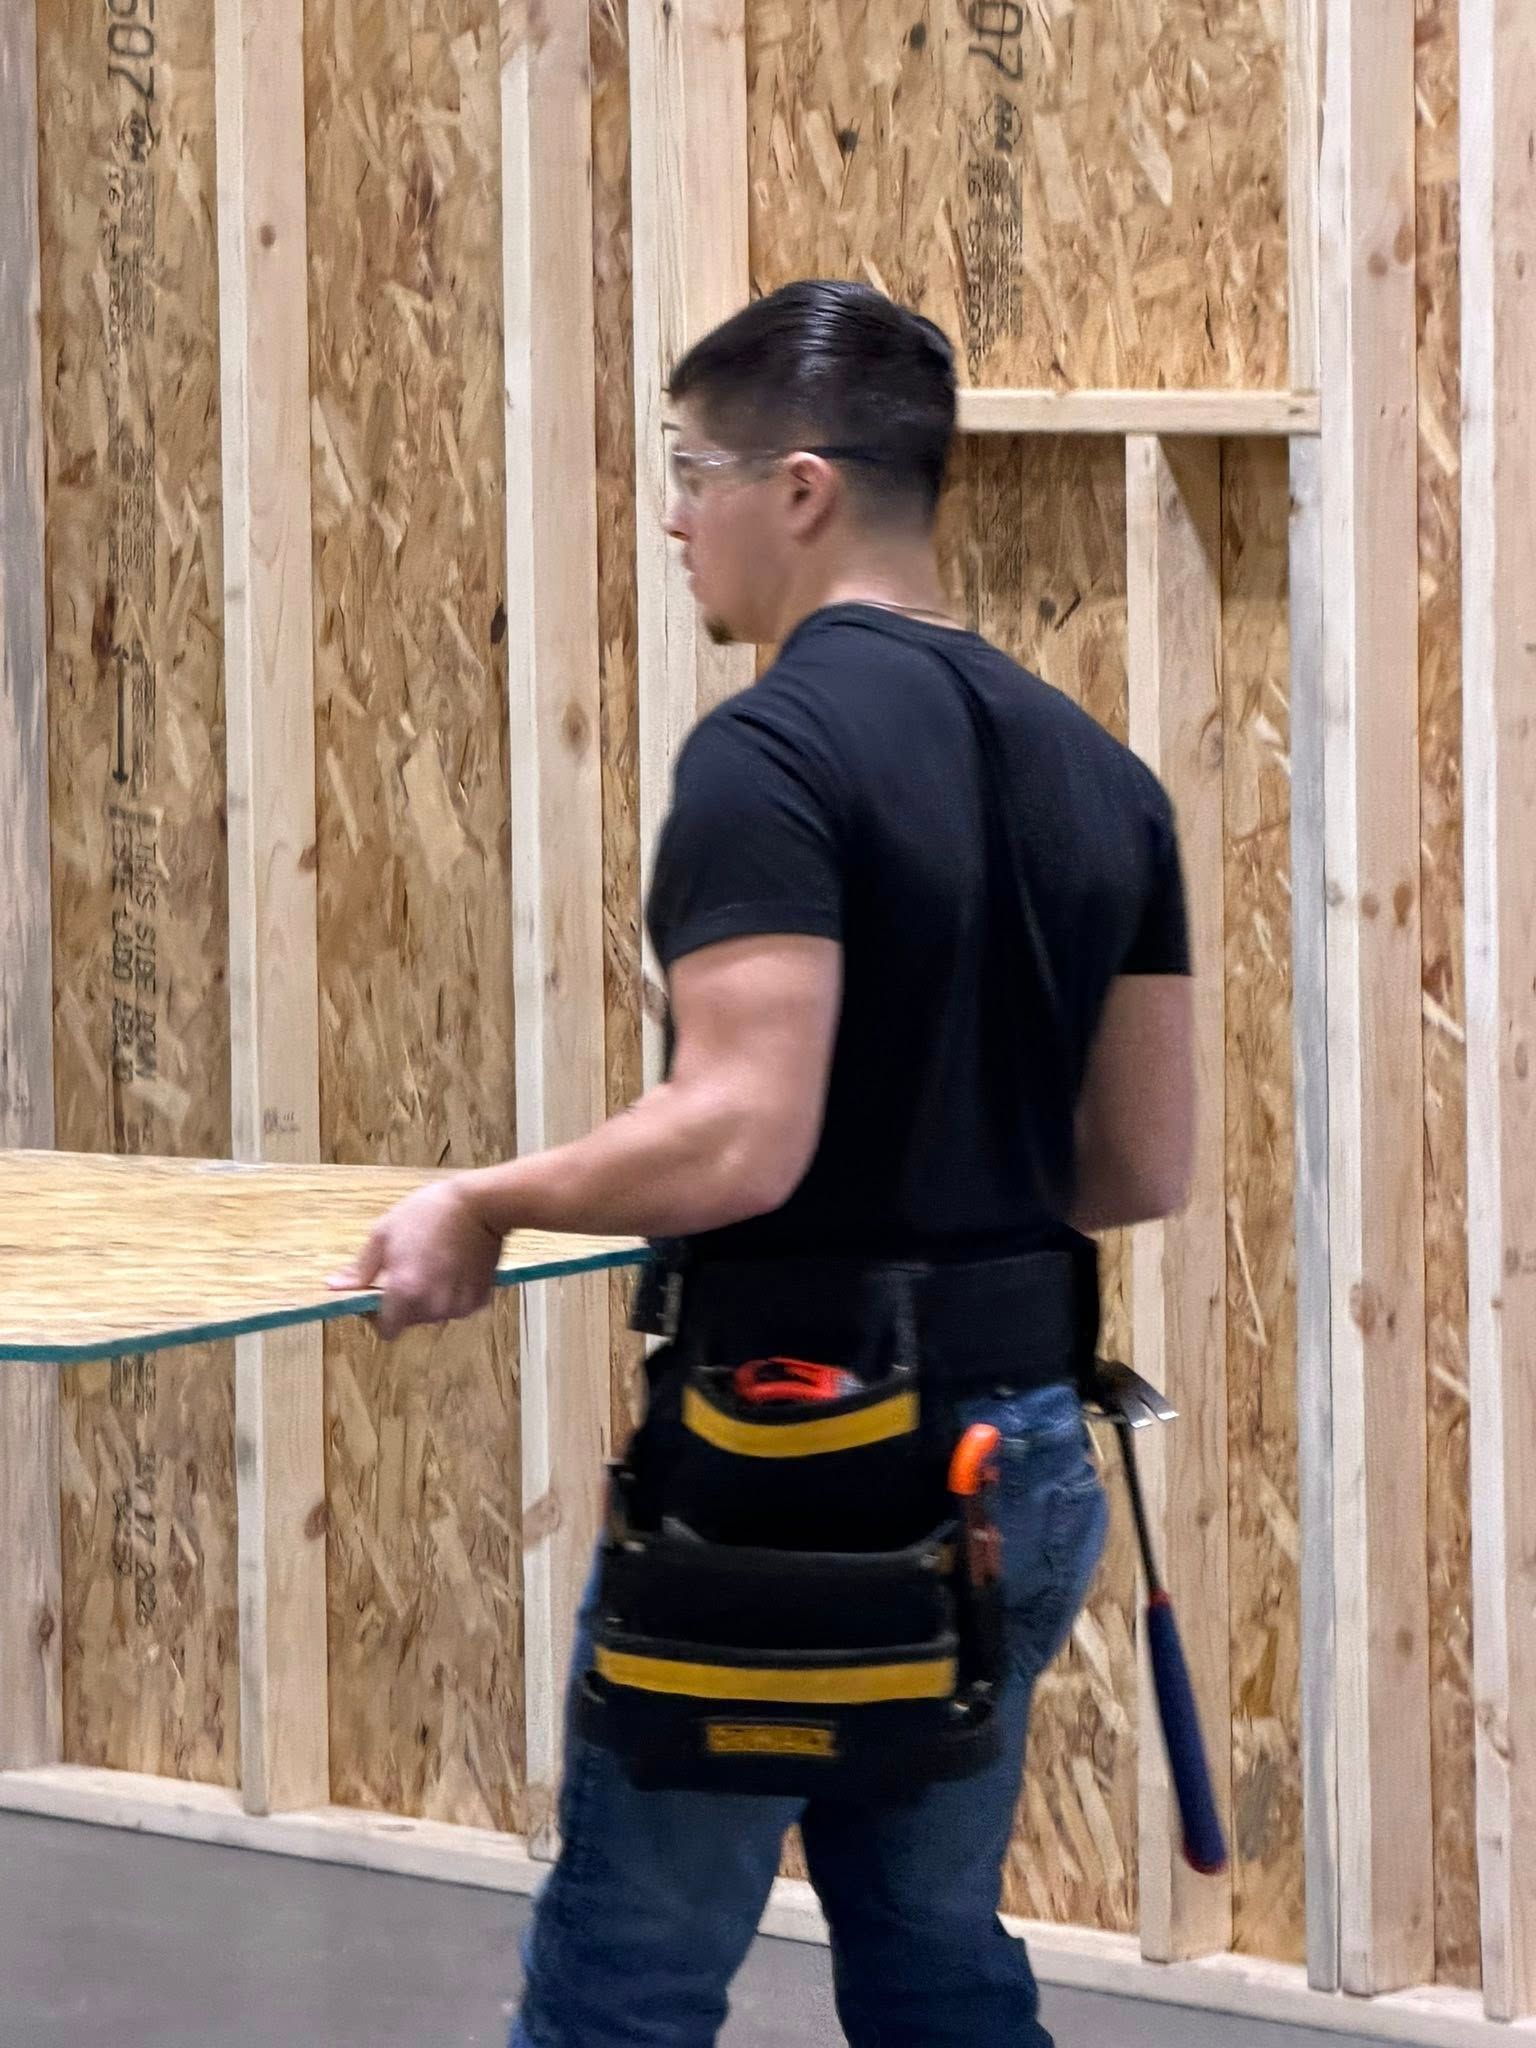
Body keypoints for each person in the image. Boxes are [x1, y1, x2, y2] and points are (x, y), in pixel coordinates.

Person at [335, 280, 1195, 2048]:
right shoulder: (1103, 776)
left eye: (690, 470)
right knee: (937, 1960)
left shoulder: (769, 752)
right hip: (1016, 1460)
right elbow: (1136, 1162)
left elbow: (739, 1133)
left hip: (799, 1462)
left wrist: (483, 1204)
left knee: (625, 1988)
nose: (672, 515)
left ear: (800, 488)